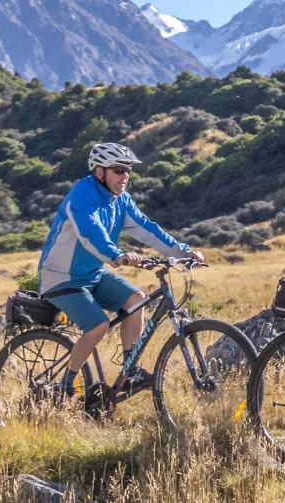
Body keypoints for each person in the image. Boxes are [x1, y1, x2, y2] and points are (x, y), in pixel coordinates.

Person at [37, 143, 203, 401]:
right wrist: (117, 255)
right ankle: (66, 384)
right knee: (98, 326)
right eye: (118, 170)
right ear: (100, 172)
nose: (125, 176)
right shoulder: (82, 194)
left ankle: (130, 371)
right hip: (60, 276)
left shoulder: (120, 200)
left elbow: (148, 229)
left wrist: (183, 251)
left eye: (128, 171)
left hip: (92, 274)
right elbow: (90, 233)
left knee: (136, 300)